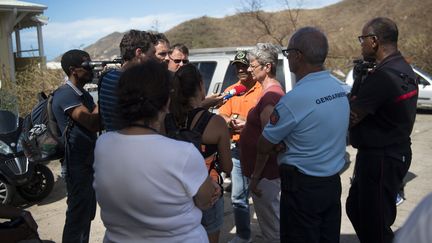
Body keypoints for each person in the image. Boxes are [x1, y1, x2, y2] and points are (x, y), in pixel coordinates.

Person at [93, 61, 221, 242]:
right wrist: (210, 186)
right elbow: (205, 201)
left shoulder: (103, 145)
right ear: (166, 102)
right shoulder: (183, 153)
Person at [253, 27, 350, 242]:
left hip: (302, 191)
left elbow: (263, 144)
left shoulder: (295, 99)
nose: (286, 58)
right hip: (331, 185)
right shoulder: (340, 88)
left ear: (298, 56)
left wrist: (279, 144)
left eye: (287, 53)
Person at [346, 17, 418, 243]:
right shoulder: (402, 67)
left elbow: (350, 118)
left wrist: (358, 82)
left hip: (380, 159)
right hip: (394, 154)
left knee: (375, 226)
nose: (361, 44)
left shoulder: (383, 77)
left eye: (363, 40)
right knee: (357, 209)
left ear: (374, 41)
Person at [166, 64, 232, 243]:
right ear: (201, 85)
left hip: (177, 192)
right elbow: (227, 166)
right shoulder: (215, 122)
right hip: (209, 191)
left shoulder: (168, 120)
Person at [52, 49, 100, 243]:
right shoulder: (65, 95)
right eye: (87, 65)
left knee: (86, 214)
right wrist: (104, 92)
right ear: (73, 70)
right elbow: (92, 122)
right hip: (75, 164)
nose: (91, 69)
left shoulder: (82, 95)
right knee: (77, 216)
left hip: (87, 162)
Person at [238, 43, 284, 243]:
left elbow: (270, 141)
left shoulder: (270, 96)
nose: (248, 69)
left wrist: (256, 177)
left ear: (267, 67)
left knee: (272, 229)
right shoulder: (267, 92)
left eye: (252, 65)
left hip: (265, 175)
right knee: (271, 224)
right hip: (265, 173)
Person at [218, 50, 262, 243]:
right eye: (237, 66)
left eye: (244, 66)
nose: (241, 70)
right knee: (237, 197)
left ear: (252, 67)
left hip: (261, 151)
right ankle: (244, 236)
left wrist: (248, 122)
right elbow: (221, 114)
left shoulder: (263, 90)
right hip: (237, 150)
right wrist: (229, 122)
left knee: (266, 197)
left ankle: (274, 233)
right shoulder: (231, 90)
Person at [99, 29, 156, 131]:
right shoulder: (136, 84)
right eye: (152, 53)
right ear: (139, 53)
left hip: (110, 142)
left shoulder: (106, 78)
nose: (154, 58)